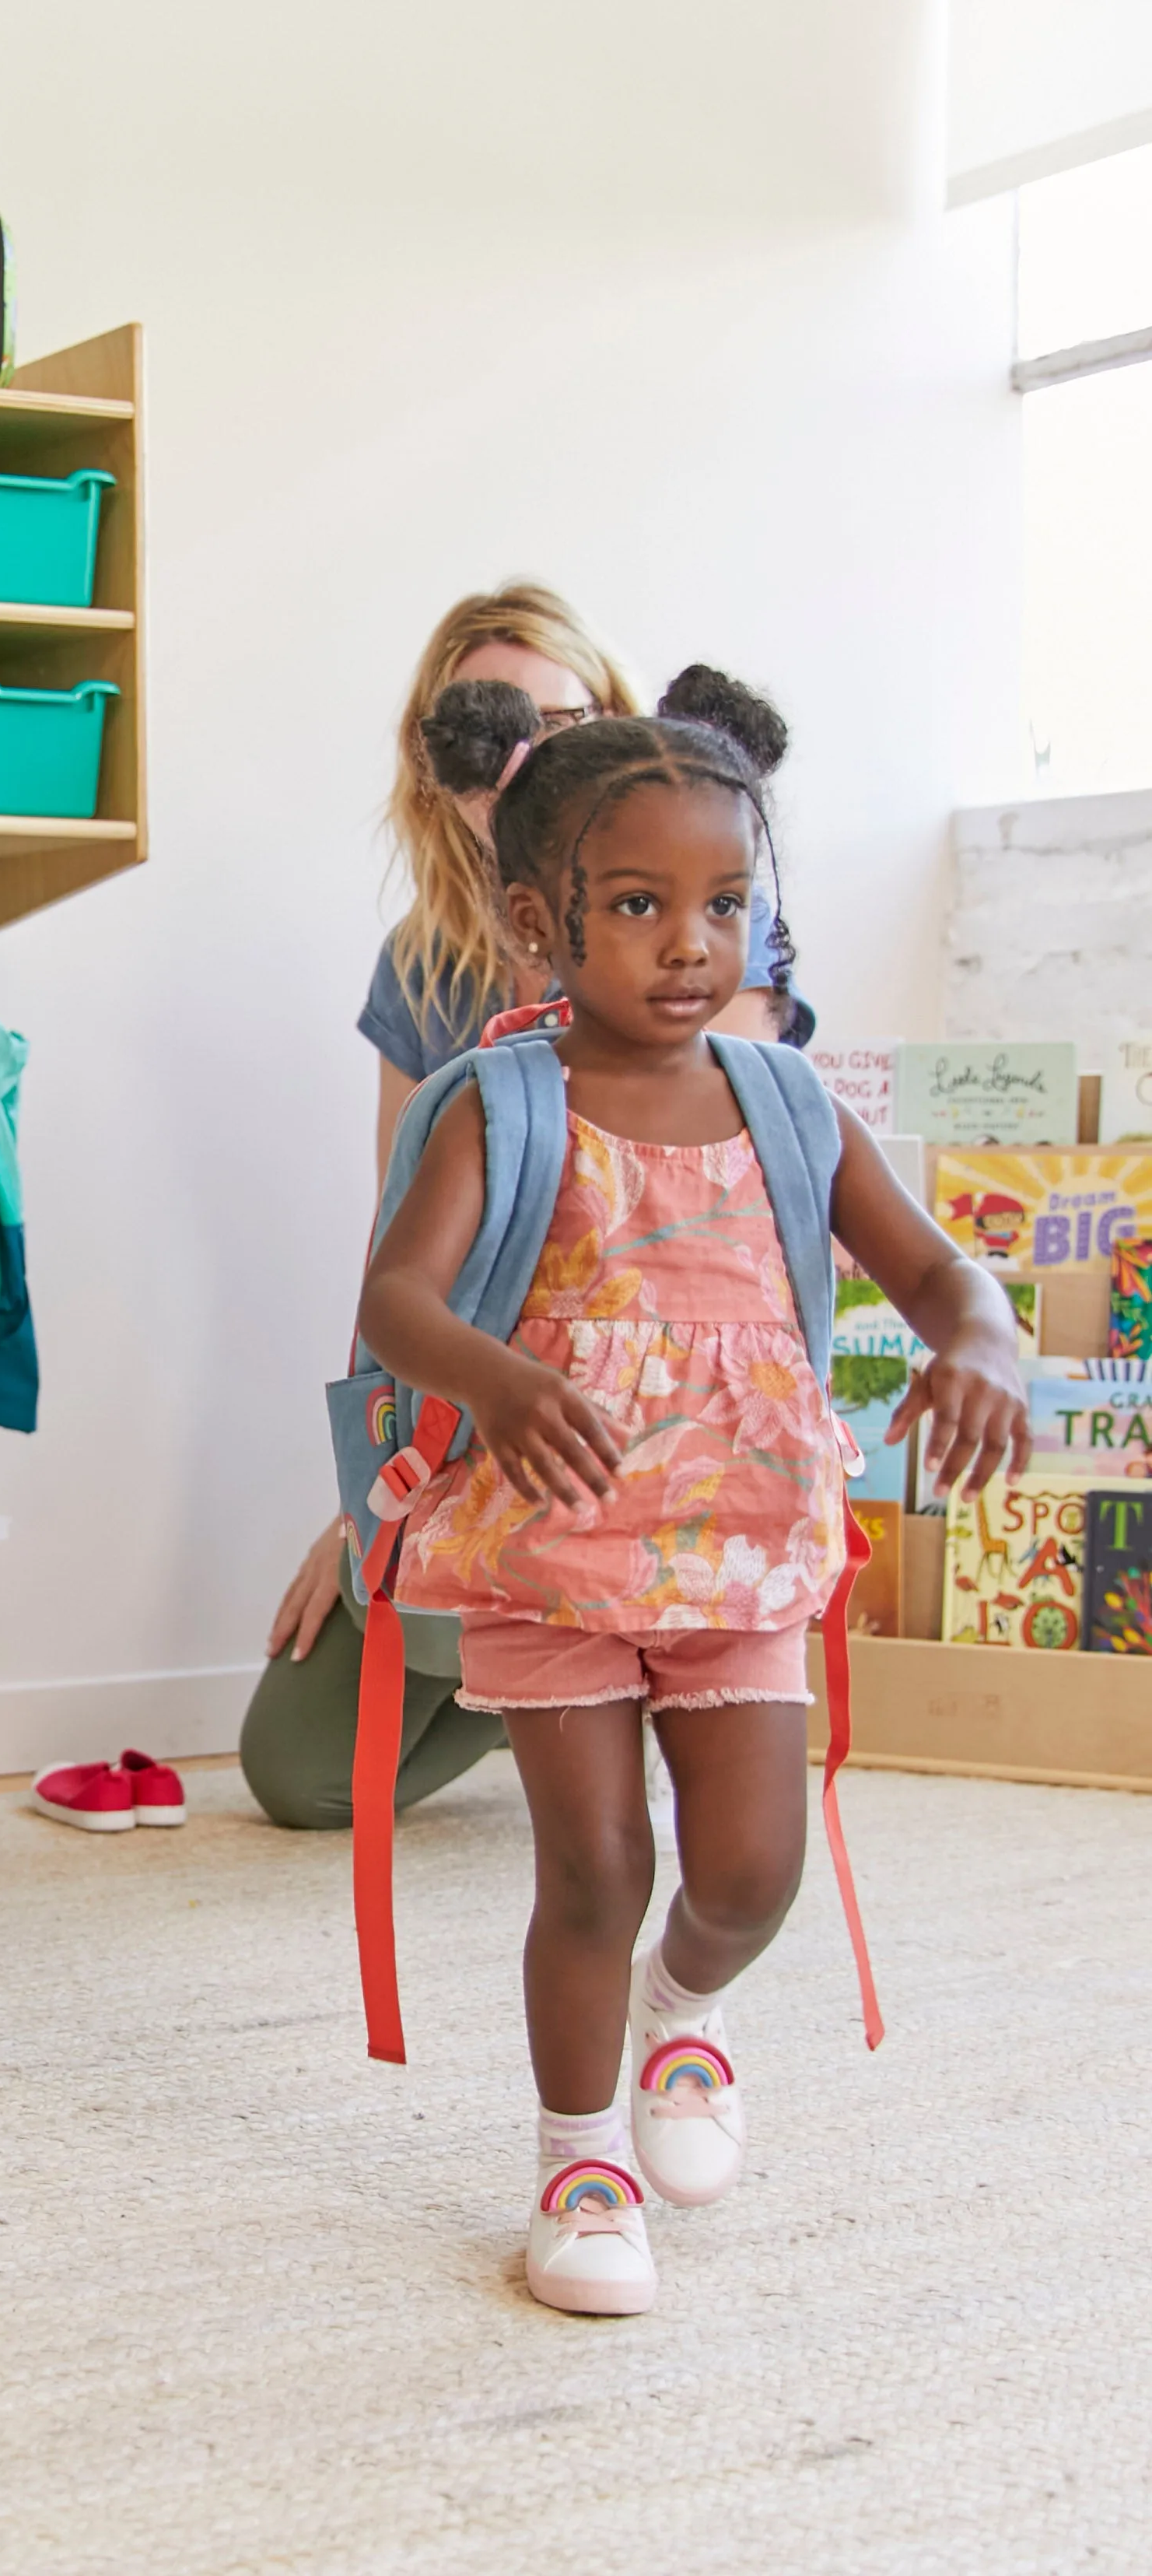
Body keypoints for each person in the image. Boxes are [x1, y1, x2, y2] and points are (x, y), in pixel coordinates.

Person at [355, 664, 1027, 2314]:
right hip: (555, 1543)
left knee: (745, 1874)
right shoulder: (498, 1104)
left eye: (723, 903)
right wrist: (498, 1377)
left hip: (736, 1547)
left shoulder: (789, 1103)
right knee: (588, 1863)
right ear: (536, 918)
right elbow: (396, 1299)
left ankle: (681, 2006)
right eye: (639, 902)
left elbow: (944, 1278)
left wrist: (986, 1343)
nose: (687, 942)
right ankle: (575, 2153)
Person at [241, 584, 809, 1832]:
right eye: (492, 732)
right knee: (298, 1769)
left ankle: (620, 1704)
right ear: (444, 770)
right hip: (490, 1411)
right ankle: (556, 1707)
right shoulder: (426, 959)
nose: (534, 756)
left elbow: (747, 1166)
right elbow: (401, 1260)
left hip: (681, 1409)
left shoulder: (710, 929)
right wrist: (364, 1510)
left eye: (562, 721)